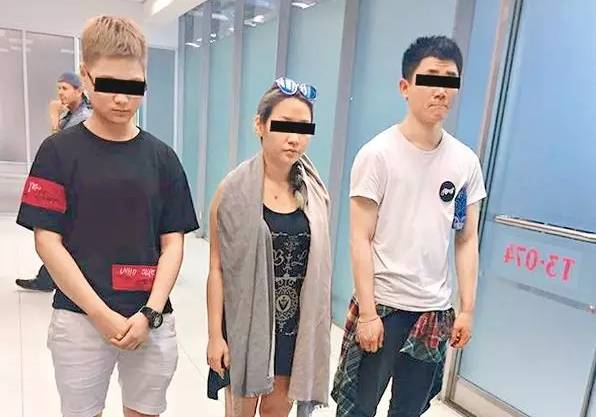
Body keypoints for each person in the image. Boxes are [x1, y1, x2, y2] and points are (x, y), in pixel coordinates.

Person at [16, 15, 198, 417]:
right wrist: (100, 315)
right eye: (110, 84)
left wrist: (150, 312)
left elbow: (173, 243)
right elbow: (47, 241)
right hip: (80, 318)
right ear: (86, 76)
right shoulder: (57, 153)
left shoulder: (163, 158)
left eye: (133, 86)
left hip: (150, 318)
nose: (122, 99)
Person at [331, 36, 487, 417]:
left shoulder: (465, 163)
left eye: (449, 81)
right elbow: (360, 237)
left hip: (433, 311)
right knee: (358, 408)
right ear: (405, 87)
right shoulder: (377, 155)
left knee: (410, 410)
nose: (440, 91)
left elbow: (466, 239)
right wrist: (368, 313)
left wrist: (466, 308)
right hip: (383, 307)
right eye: (430, 79)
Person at [206, 78, 332, 417]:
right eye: (284, 125)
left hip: (294, 332)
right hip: (246, 328)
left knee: (276, 413)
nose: (294, 138)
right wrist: (215, 336)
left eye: (303, 128)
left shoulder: (315, 193)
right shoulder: (231, 192)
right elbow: (217, 269)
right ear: (260, 125)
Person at [16, 72, 92, 292]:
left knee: (66, 236)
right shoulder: (71, 114)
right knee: (63, 236)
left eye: (65, 88)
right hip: (71, 185)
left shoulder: (82, 117)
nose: (60, 93)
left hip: (81, 187)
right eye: (59, 88)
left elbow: (58, 147)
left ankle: (53, 280)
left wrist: (53, 116)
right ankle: (48, 278)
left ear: (79, 91)